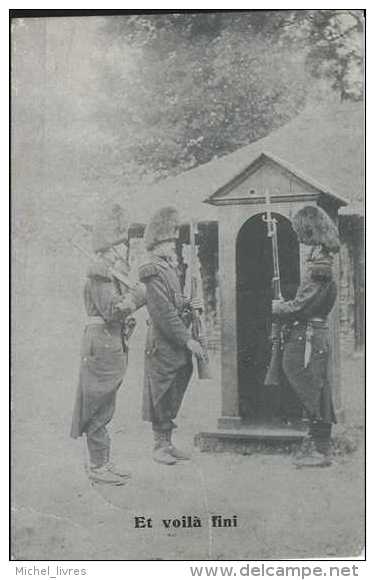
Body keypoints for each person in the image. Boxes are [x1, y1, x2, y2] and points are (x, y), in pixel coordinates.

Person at [71, 204, 145, 485]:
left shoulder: (110, 275)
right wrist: (136, 298)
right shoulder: (100, 277)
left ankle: (102, 461)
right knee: (98, 405)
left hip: (108, 345)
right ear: (110, 249)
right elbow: (112, 312)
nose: (123, 251)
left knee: (104, 404)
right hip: (101, 346)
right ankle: (98, 466)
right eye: (120, 247)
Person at [272, 205, 340, 468]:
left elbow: (301, 306)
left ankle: (320, 450)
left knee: (311, 387)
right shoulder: (320, 263)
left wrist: (279, 307)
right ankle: (317, 445)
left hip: (308, 335)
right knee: (315, 387)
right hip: (312, 333)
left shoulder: (318, 267)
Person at [139, 206, 204, 465]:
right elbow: (164, 312)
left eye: (173, 241)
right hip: (163, 343)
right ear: (157, 244)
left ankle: (167, 443)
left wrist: (190, 305)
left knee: (174, 388)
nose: (173, 245)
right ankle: (159, 446)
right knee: (162, 391)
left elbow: (175, 304)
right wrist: (187, 339)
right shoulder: (152, 271)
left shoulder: (170, 269)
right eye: (168, 241)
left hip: (174, 342)